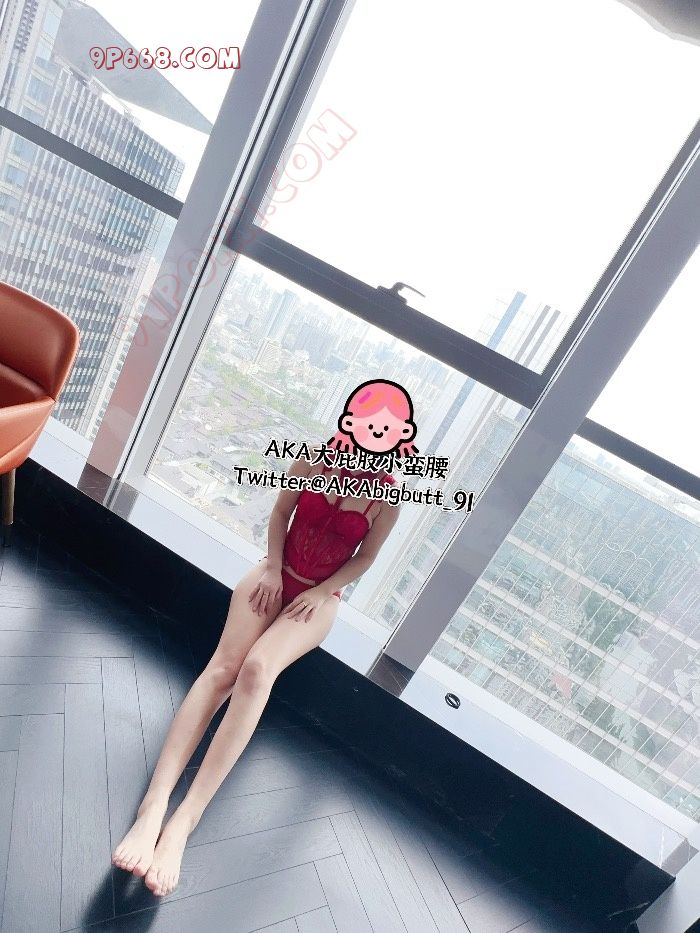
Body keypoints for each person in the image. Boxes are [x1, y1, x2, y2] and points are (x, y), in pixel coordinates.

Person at [110, 396, 406, 896]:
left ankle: (184, 820)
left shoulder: (389, 498)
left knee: (257, 670)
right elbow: (280, 513)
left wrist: (320, 591)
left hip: (319, 597)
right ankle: (153, 805)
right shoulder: (312, 459)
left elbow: (365, 558)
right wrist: (272, 567)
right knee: (223, 668)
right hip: (273, 573)